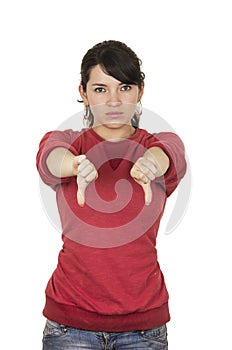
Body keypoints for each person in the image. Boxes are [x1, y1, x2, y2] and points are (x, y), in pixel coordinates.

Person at [36, 40, 187, 350]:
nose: (114, 100)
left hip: (144, 331)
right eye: (101, 89)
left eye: (125, 87)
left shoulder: (160, 144)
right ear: (83, 92)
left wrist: (150, 163)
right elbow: (50, 158)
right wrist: (73, 165)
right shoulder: (66, 142)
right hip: (69, 328)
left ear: (140, 90)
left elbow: (171, 155)